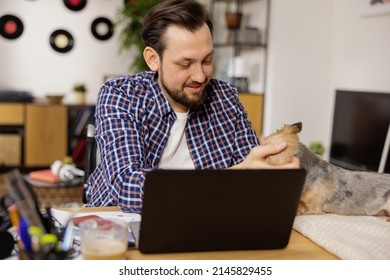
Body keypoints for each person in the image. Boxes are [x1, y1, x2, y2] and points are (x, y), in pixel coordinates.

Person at [86, 0, 299, 213]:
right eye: (185, 64)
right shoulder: (121, 95)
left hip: (206, 219)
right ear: (153, 59)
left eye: (207, 60)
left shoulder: (226, 98)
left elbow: (253, 179)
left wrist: (271, 173)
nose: (200, 76)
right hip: (118, 223)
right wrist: (234, 176)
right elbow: (128, 188)